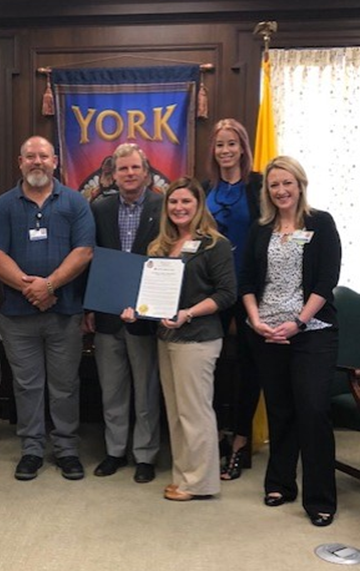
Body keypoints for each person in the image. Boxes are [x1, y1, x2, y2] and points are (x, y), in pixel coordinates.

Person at [0, 135, 95, 481]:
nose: (37, 162)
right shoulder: (3, 205)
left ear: (55, 161)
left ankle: (66, 449)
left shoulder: (75, 202)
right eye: (29, 156)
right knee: (27, 385)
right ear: (20, 162)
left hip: (64, 312)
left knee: (64, 385)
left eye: (43, 156)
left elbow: (84, 251)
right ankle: (31, 449)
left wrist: (50, 286)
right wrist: (28, 287)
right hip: (17, 316)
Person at [240, 156, 341, 527]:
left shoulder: (321, 223)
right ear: (267, 191)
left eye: (287, 183)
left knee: (313, 410)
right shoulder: (260, 228)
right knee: (280, 410)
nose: (281, 190)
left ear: (300, 184)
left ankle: (320, 498)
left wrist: (298, 322)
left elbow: (325, 281)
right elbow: (247, 281)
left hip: (311, 332)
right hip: (266, 334)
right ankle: (281, 483)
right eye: (273, 185)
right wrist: (255, 321)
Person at [124, 176, 236, 501]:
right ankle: (184, 476)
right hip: (166, 337)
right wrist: (136, 310)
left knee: (195, 413)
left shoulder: (215, 244)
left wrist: (189, 312)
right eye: (173, 202)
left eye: (186, 201)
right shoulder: (159, 246)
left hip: (198, 338)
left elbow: (227, 293)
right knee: (175, 412)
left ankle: (200, 483)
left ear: (199, 205)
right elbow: (151, 296)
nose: (179, 207)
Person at [83, 143, 161, 483]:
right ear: (112, 175)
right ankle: (115, 451)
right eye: (122, 169)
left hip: (146, 316)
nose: (129, 174)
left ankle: (145, 455)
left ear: (146, 172)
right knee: (111, 388)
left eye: (135, 168)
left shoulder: (163, 206)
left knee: (145, 389)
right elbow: (89, 258)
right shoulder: (99, 208)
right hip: (107, 313)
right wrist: (89, 306)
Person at [204, 118, 263, 480]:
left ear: (243, 148)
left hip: (249, 290)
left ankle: (240, 441)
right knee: (208, 365)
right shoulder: (203, 188)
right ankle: (214, 437)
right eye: (219, 144)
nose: (225, 151)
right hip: (211, 291)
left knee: (248, 366)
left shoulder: (259, 186)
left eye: (231, 144)